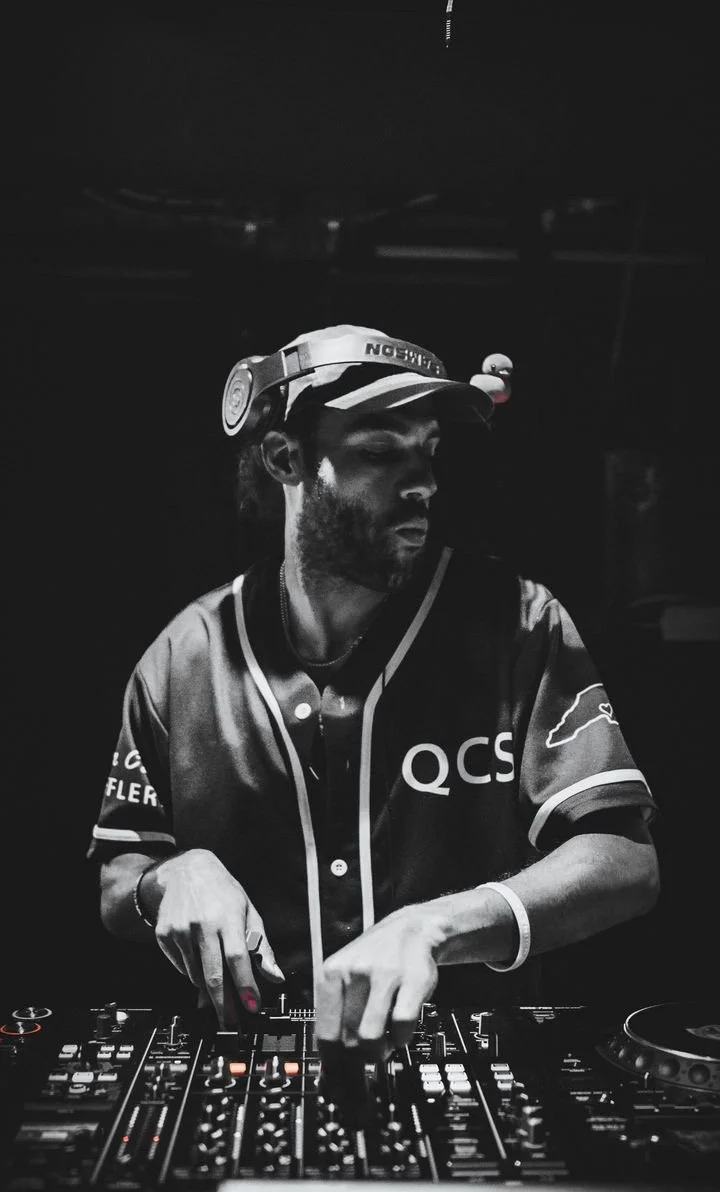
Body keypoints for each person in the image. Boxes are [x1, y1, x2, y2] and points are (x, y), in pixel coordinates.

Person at [88, 323, 659, 1054]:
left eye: (429, 451)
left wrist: (437, 925)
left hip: (469, 1059)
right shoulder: (181, 657)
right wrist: (170, 881)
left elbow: (624, 859)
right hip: (253, 1058)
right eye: (381, 451)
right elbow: (119, 878)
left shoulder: (520, 621)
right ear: (284, 458)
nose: (423, 480)